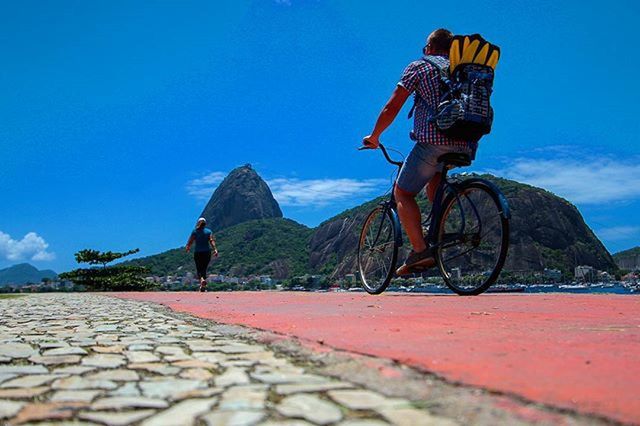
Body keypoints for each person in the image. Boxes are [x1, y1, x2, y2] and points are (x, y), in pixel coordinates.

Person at [363, 28, 477, 276]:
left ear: (428, 49)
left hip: (434, 143)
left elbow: (393, 105)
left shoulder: (420, 66)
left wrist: (375, 136)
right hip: (467, 143)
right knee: (434, 185)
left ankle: (419, 250)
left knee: (402, 192)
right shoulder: (464, 70)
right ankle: (436, 234)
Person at [186, 217, 218, 291]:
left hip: (198, 252)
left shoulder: (195, 231)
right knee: (204, 268)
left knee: (199, 268)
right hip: (207, 252)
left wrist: (188, 247)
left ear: (198, 223)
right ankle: (202, 286)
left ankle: (202, 280)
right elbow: (211, 240)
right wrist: (215, 249)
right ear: (205, 223)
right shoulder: (208, 231)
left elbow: (191, 241)